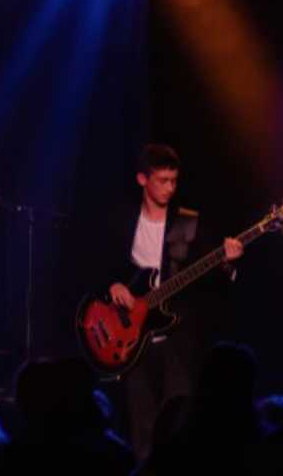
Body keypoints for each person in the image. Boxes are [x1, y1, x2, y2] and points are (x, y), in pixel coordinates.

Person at [103, 144, 242, 462]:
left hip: (178, 339)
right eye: (162, 180)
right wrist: (113, 284)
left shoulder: (188, 223)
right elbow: (101, 263)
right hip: (133, 339)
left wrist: (227, 263)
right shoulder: (123, 220)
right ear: (142, 179)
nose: (169, 187)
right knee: (142, 425)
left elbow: (213, 281)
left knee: (180, 423)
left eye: (173, 181)